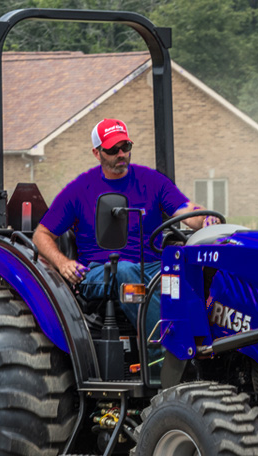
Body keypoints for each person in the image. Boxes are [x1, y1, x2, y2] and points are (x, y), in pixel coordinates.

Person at [33, 118, 219, 361]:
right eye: (113, 149)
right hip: (99, 271)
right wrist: (62, 262)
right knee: (126, 271)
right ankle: (164, 359)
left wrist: (205, 219)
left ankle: (214, 346)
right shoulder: (79, 190)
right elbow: (41, 234)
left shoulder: (152, 181)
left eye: (125, 146)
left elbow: (187, 211)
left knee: (193, 265)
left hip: (151, 266)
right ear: (97, 153)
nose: (121, 154)